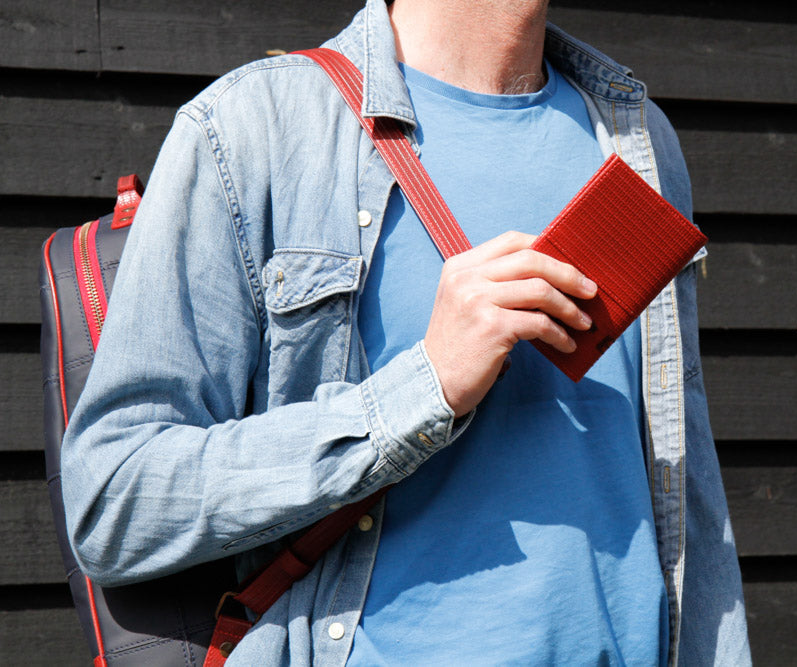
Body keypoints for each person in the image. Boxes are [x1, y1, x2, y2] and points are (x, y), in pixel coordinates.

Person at [61, 0, 751, 664]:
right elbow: (112, 498)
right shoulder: (251, 129)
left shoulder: (634, 137)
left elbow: (685, 481)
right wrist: (423, 388)